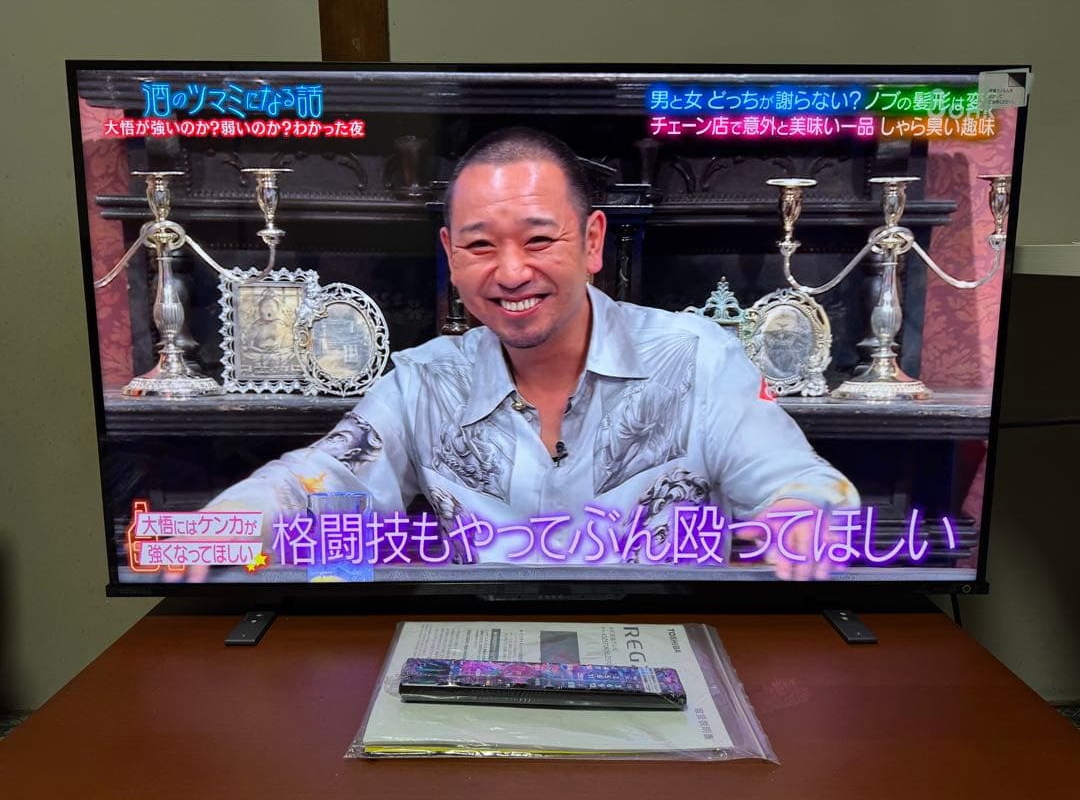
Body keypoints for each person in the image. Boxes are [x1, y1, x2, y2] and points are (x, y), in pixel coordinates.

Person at [199, 127, 859, 581]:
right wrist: (232, 521)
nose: (511, 273)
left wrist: (799, 517)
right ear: (451, 254)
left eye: (539, 240)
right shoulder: (425, 383)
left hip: (667, 652)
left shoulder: (699, 361)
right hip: (480, 661)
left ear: (592, 242)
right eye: (480, 245)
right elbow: (316, 480)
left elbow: (799, 482)